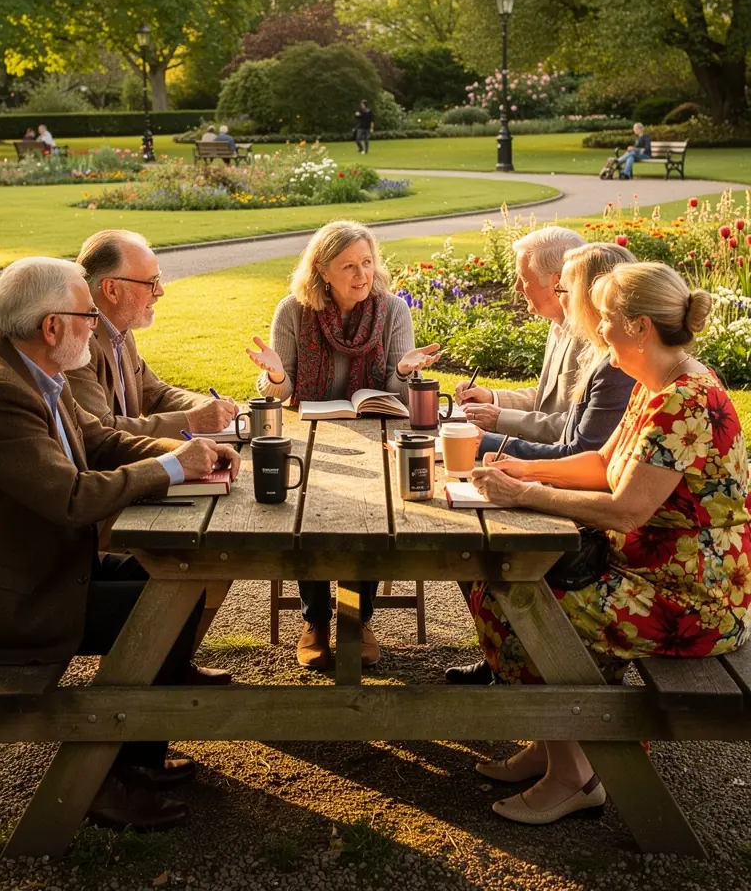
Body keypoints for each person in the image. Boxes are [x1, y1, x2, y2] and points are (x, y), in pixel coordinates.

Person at [0, 257, 242, 831]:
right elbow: (71, 498)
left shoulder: (29, 371)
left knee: (175, 584)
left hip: (34, 568)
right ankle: (104, 780)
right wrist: (174, 466)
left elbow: (98, 440)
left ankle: (137, 758)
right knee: (156, 608)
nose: (96, 328)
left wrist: (189, 456)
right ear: (52, 326)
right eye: (87, 316)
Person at [468, 261, 751, 827]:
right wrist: (521, 468)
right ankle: (557, 747)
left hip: (692, 600)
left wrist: (525, 496)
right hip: (652, 575)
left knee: (520, 602)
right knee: (495, 586)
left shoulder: (684, 402)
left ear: (640, 326)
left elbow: (627, 507)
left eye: (605, 319)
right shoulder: (660, 385)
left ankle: (576, 774)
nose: (596, 328)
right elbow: (603, 464)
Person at [246, 219, 441, 671]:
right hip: (309, 431)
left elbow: (398, 395)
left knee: (374, 507)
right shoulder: (293, 311)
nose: (362, 274)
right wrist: (275, 375)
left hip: (372, 429)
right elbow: (282, 392)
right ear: (322, 271)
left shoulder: (393, 311)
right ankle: (315, 619)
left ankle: (357, 618)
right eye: (348, 265)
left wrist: (406, 372)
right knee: (304, 504)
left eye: (367, 262)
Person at [445, 241, 637, 685]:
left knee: (489, 562)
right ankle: (507, 665)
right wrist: (510, 449)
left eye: (564, 289)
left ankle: (536, 677)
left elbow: (582, 453)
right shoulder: (597, 350)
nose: (522, 289)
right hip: (600, 517)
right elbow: (575, 431)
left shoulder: (620, 366)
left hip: (615, 549)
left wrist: (505, 455)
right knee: (475, 552)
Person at [69, 230, 238, 436]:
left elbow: (156, 394)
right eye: (151, 282)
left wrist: (209, 405)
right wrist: (193, 420)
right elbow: (101, 429)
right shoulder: (77, 343)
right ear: (112, 290)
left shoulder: (119, 331)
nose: (160, 291)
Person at [454, 227, 586, 444]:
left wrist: (499, 418)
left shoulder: (592, 337)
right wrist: (492, 398)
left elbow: (577, 426)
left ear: (558, 282)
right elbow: (548, 399)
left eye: (524, 279)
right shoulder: (559, 324)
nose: (516, 287)